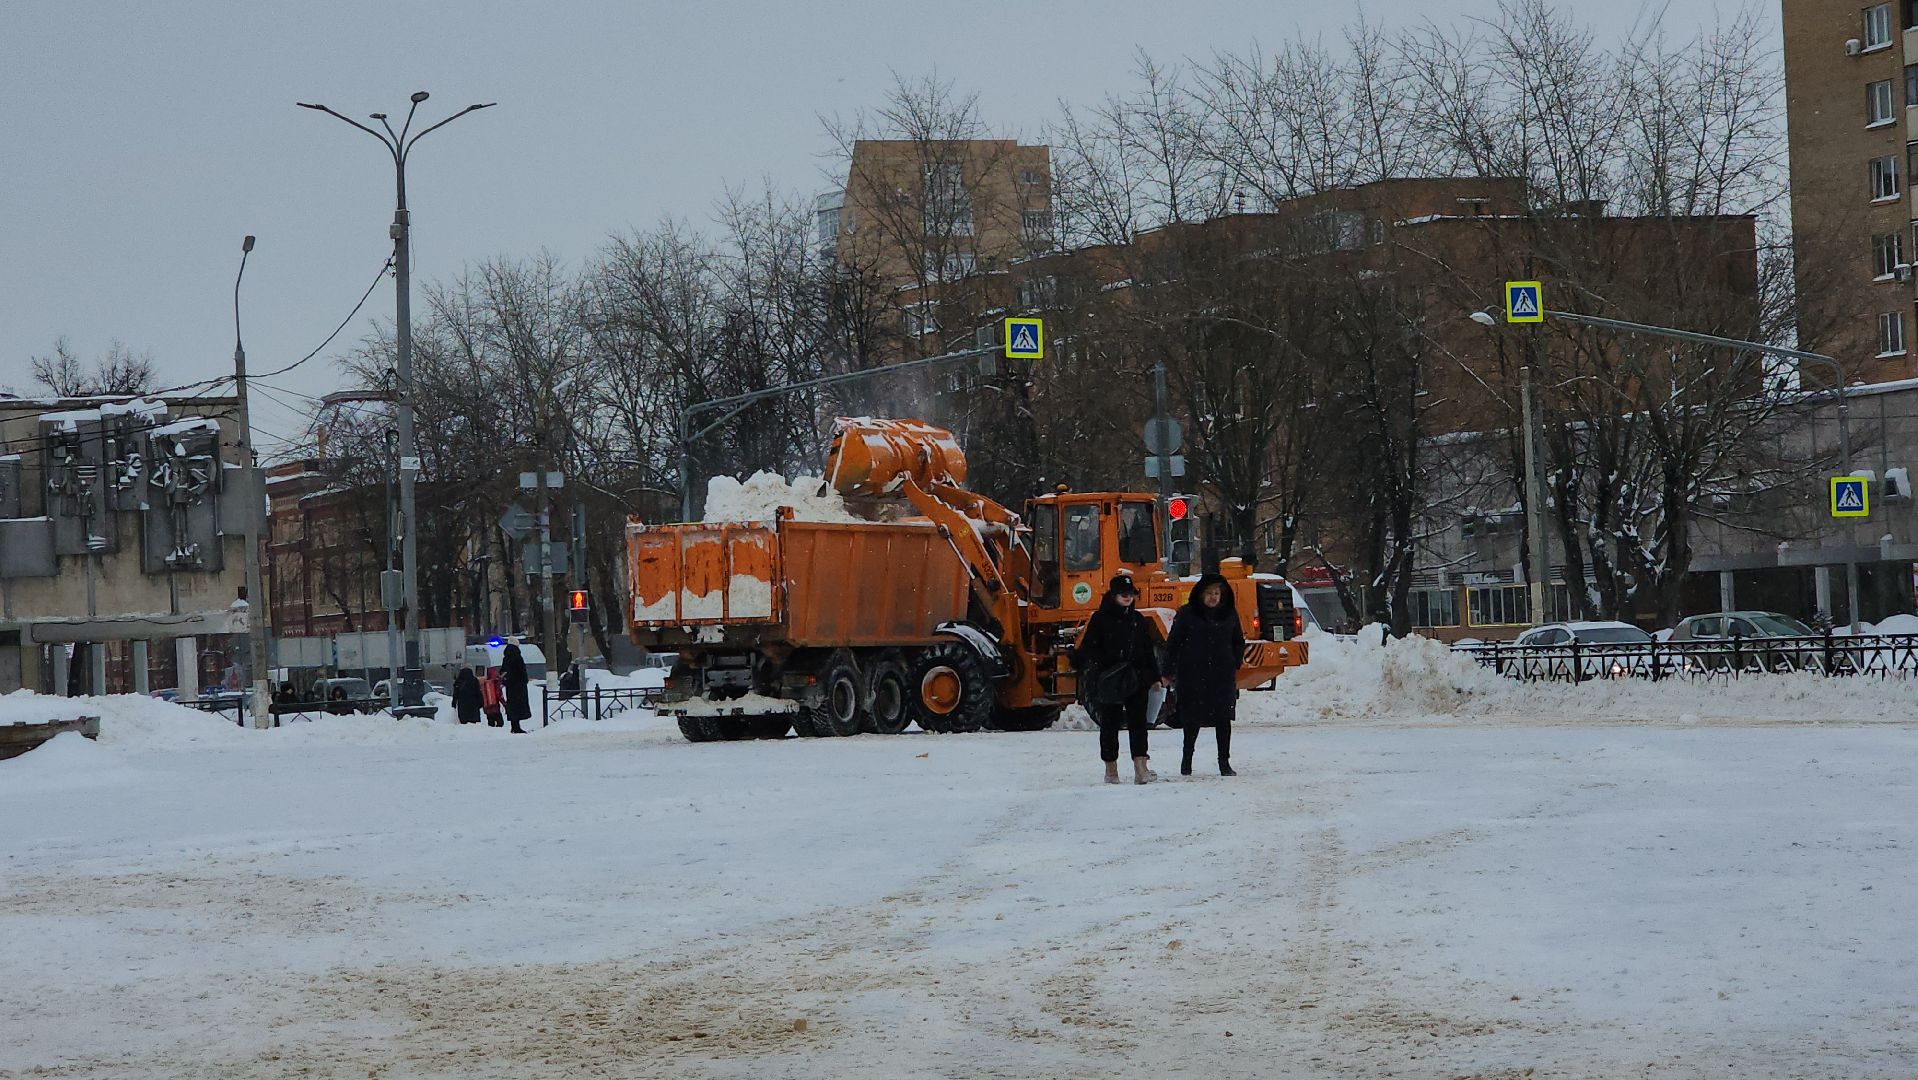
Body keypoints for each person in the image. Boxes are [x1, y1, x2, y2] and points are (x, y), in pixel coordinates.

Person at [1072, 574, 1161, 785]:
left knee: (1138, 722)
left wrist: (1154, 677)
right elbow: (1090, 649)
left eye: (1131, 594)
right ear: (1113, 595)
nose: (1128, 598)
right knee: (1109, 723)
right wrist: (1096, 665)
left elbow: (1147, 650)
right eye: (1124, 594)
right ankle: (1111, 770)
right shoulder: (1100, 619)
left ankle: (1141, 768)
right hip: (1110, 678)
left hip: (1135, 677)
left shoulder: (1138, 620)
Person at [1165, 572, 1244, 776]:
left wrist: (1235, 661)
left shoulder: (1229, 614)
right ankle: (1187, 760)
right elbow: (1173, 643)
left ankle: (1224, 763)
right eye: (1209, 593)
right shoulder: (1187, 613)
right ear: (1200, 594)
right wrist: (1168, 670)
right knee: (1192, 720)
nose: (1213, 597)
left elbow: (1238, 641)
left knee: (1223, 719)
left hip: (1222, 676)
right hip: (1193, 675)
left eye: (1217, 593)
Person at [501, 643, 532, 734]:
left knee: (512, 706)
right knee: (519, 705)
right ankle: (517, 727)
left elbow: (503, 671)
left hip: (510, 687)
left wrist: (506, 681)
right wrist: (525, 680)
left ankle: (514, 725)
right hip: (519, 686)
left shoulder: (506, 658)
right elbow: (522, 670)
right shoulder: (518, 657)